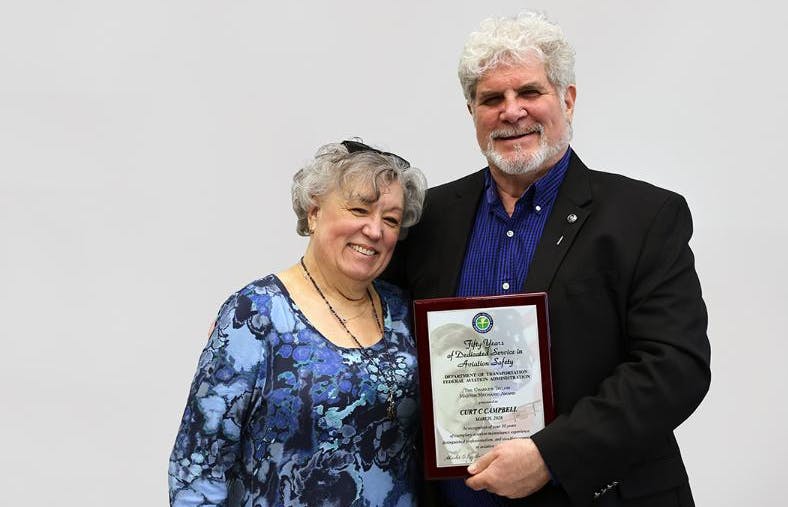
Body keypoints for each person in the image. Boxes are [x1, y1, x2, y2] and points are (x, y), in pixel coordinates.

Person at [383, 12, 711, 507]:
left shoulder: (645, 216)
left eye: (529, 93)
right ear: (471, 111)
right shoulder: (426, 220)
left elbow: (674, 368)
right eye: (492, 98)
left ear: (567, 99)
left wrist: (550, 456)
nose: (512, 112)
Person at [168, 140, 428, 506]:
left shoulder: (404, 313)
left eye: (390, 220)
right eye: (359, 209)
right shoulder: (254, 314)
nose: (374, 230)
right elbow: (197, 467)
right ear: (314, 212)